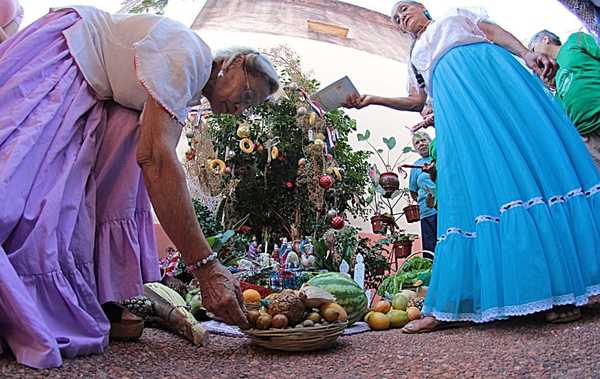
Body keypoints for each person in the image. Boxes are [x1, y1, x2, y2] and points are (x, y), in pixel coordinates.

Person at [0, 6, 279, 368]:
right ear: (234, 64)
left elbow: (141, 155)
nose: (241, 109)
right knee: (14, 180)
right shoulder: (191, 56)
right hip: (65, 56)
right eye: (246, 94)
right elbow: (158, 160)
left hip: (89, 86)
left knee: (56, 204)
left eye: (250, 106)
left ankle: (92, 294)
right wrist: (206, 268)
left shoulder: (183, 87)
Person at [345, 1, 600, 333]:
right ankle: (457, 303)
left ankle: (566, 291)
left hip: (493, 86)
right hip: (461, 120)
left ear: (423, 8)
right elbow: (416, 101)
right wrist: (371, 99)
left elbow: (491, 32)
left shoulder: (452, 17)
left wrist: (526, 54)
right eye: (395, 17)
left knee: (525, 166)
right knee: (473, 191)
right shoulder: (415, 58)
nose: (400, 17)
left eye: (405, 8)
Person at [529, 30, 600, 167]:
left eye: (533, 49)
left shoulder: (574, 41)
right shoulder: (554, 79)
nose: (535, 56)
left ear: (545, 39)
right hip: (588, 137)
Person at [408, 131, 437, 258]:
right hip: (426, 212)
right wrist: (423, 200)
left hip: (443, 209)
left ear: (430, 141)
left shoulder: (438, 158)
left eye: (423, 140)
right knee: (430, 249)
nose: (421, 144)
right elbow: (413, 191)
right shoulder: (416, 165)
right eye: (417, 143)